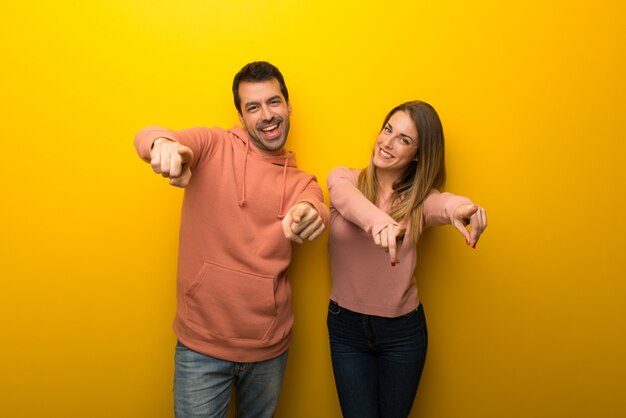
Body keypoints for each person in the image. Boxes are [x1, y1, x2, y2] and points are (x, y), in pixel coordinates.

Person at [134, 61, 330, 418]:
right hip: (201, 349)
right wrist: (161, 144)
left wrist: (308, 214)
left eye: (273, 102)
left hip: (269, 350)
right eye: (253, 107)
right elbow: (151, 135)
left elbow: (314, 205)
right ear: (241, 117)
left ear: (288, 107)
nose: (266, 115)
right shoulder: (213, 146)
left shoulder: (303, 180)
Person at [326, 100, 487, 418]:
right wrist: (380, 222)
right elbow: (345, 200)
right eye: (388, 129)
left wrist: (465, 209)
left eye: (403, 139)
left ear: (418, 155)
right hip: (346, 329)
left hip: (403, 333)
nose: (386, 142)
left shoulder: (420, 200)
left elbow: (444, 204)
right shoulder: (344, 179)